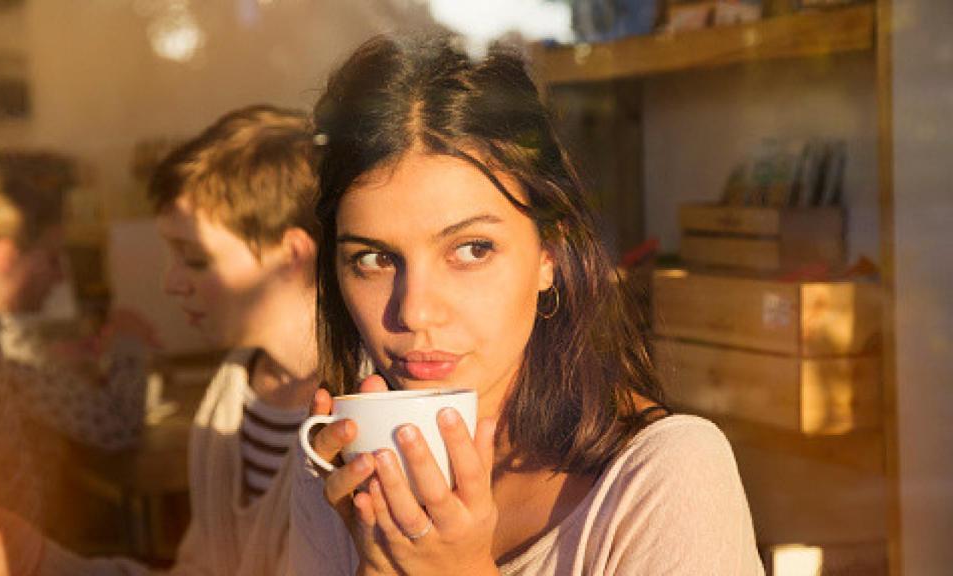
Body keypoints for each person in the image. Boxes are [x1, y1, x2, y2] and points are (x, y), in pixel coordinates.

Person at [291, 35, 764, 575]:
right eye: (374, 259)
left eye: (471, 250)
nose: (415, 312)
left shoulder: (664, 476)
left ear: (549, 255)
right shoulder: (338, 470)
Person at [0, 105, 321, 576]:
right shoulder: (230, 393)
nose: (171, 283)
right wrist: (43, 561)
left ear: (292, 255)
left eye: (194, 258)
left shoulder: (358, 416)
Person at [0, 153, 154, 531]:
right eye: (51, 258)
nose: (59, 278)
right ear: (5, 256)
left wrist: (56, 361)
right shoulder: (3, 345)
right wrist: (129, 344)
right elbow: (116, 426)